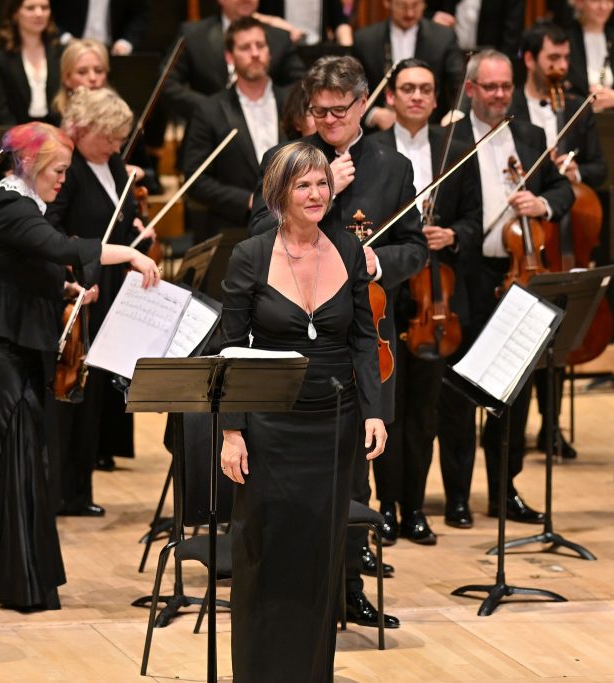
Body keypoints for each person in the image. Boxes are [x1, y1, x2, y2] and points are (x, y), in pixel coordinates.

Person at [0, 121, 160, 610]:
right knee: (12, 458)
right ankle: (17, 578)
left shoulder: (25, 206)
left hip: (12, 342)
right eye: (59, 170)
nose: (64, 180)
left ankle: (13, 575)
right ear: (28, 164)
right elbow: (61, 249)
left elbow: (22, 268)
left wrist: (65, 288)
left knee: (21, 459)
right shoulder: (9, 205)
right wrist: (128, 253)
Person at [250, 55, 428, 628]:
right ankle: (295, 590)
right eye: (318, 111)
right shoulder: (284, 160)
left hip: (362, 337)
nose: (327, 120)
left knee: (355, 473)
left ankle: (350, 586)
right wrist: (322, 191)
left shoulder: (393, 165)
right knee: (294, 472)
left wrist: (377, 263)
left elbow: (415, 248)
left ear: (362, 105)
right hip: (295, 337)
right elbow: (255, 236)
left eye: (338, 110)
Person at [219, 141, 386, 682]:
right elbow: (230, 348)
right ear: (279, 193)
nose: (316, 194)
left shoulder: (349, 250)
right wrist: (232, 431)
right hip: (269, 424)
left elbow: (364, 338)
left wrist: (374, 411)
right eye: (303, 185)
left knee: (320, 554)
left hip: (334, 424)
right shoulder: (250, 255)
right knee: (265, 551)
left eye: (322, 183)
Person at [450, 49, 574, 523]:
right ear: (471, 89)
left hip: (521, 274)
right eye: (490, 87)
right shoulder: (452, 138)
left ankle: (505, 490)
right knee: (461, 391)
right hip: (469, 274)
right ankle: (458, 495)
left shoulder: (531, 136)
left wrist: (541, 204)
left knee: (514, 392)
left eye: (506, 86)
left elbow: (563, 190)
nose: (500, 95)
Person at [368, 58, 482, 542]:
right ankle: (384, 506)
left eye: (425, 89)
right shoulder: (372, 150)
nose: (416, 96)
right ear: (391, 97)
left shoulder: (456, 148)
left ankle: (414, 507)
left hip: (438, 299)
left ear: (437, 100)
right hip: (386, 296)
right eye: (407, 88)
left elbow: (476, 219)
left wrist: (451, 234)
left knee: (424, 412)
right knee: (387, 409)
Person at [510, 21, 608, 460]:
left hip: (568, 230)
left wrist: (573, 173)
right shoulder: (512, 106)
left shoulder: (577, 106)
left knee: (560, 328)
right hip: (525, 233)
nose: (561, 66)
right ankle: (512, 426)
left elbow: (601, 169)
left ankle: (552, 425)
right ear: (530, 59)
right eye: (553, 58)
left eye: (566, 58)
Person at [45, 87, 146, 516]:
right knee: (73, 394)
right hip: (80, 290)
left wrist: (135, 233)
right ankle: (60, 491)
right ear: (82, 130)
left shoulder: (114, 164)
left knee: (95, 394)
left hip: (111, 287)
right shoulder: (68, 170)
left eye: (120, 138)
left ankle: (79, 490)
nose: (117, 146)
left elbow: (121, 218)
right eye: (109, 137)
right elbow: (52, 228)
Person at [180, 16, 289, 295]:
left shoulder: (291, 101)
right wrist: (249, 200)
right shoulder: (210, 109)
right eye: (245, 47)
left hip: (294, 238)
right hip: (235, 235)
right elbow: (195, 179)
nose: (255, 53)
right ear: (229, 56)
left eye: (260, 45)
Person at [161, 0, 306, 121]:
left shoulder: (279, 36)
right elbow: (166, 83)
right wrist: (210, 108)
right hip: (208, 134)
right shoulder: (194, 34)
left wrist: (271, 104)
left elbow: (301, 84)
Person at [352, 0, 463, 129]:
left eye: (415, 5)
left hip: (431, 128)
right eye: (402, 6)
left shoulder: (444, 37)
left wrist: (456, 113)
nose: (409, 13)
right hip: (379, 131)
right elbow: (351, 89)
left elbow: (460, 84)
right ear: (387, 3)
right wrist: (373, 114)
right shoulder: (365, 39)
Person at [0, 0, 61, 127]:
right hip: (14, 131)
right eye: (30, 8)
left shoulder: (59, 50)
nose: (39, 13)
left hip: (55, 131)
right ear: (15, 13)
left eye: (44, 7)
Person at [427, 0, 525, 60]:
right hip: (447, 57)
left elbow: (512, 36)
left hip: (489, 60)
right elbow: (424, 10)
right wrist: (432, 18)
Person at [52, 0, 149, 55]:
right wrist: (66, 38)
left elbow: (139, 14)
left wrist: (126, 42)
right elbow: (51, 11)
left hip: (113, 52)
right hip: (71, 50)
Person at [51, 37, 108, 116]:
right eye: (82, 72)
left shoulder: (119, 113)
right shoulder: (56, 116)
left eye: (98, 71)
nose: (93, 78)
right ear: (67, 78)